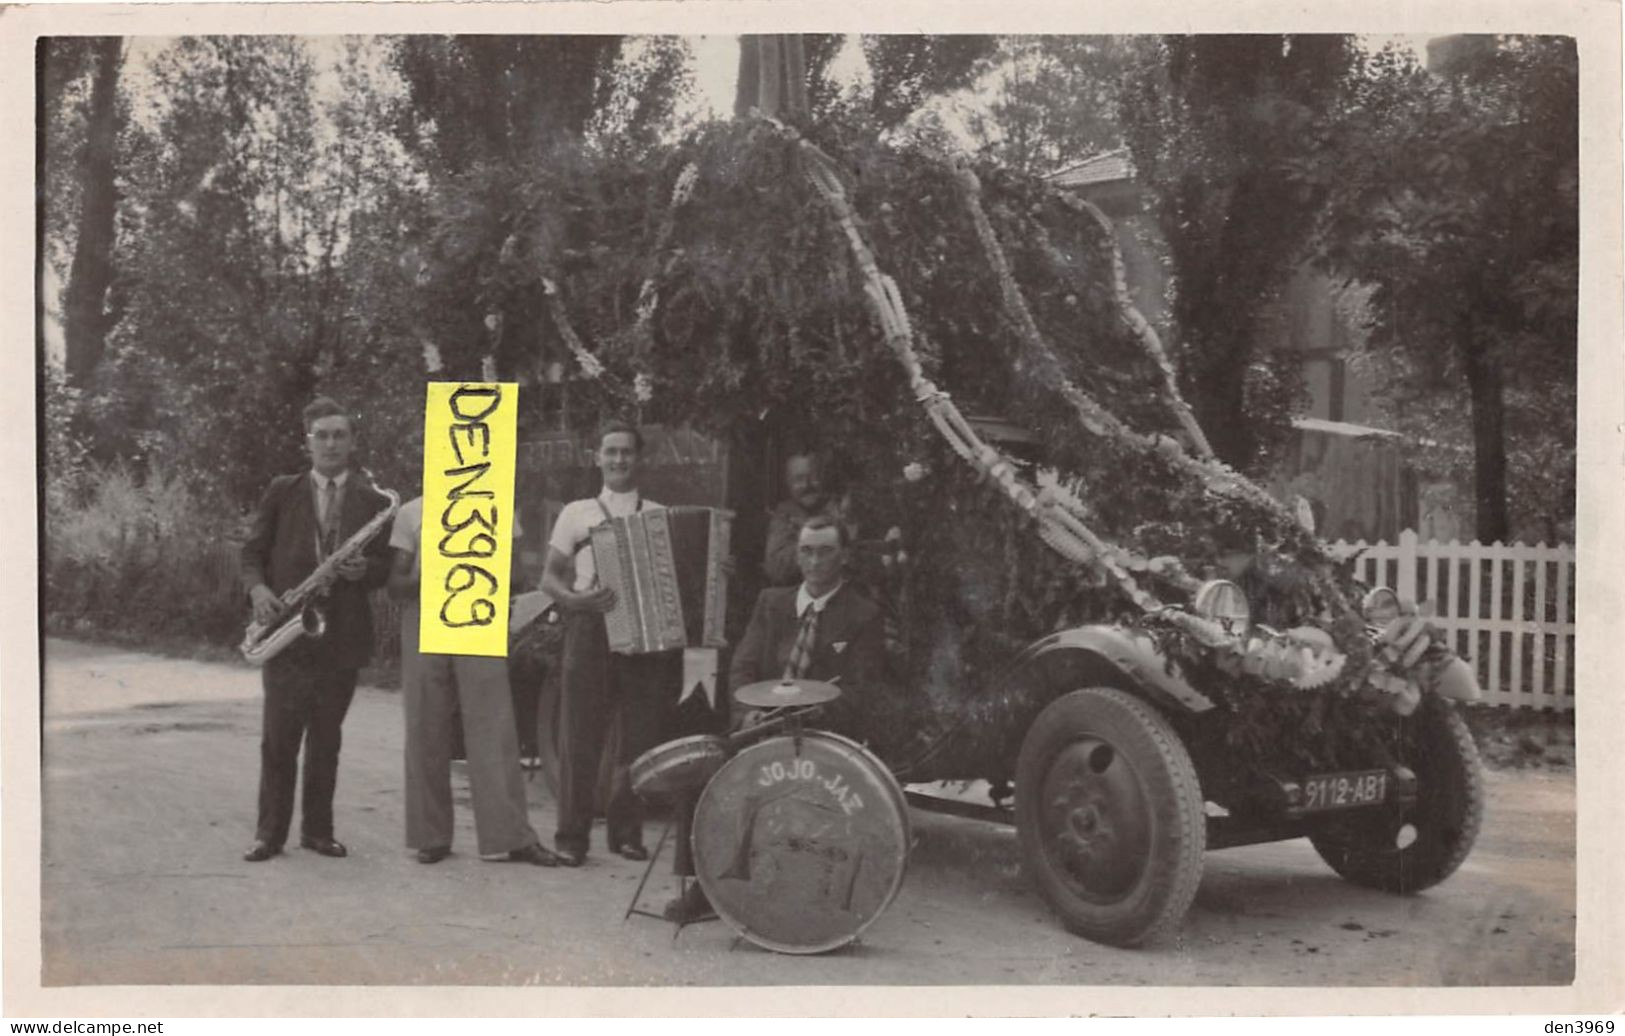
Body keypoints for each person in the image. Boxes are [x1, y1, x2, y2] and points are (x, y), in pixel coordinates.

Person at [662, 514, 887, 923]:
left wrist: (810, 711)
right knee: (700, 773)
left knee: (767, 792)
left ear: (844, 557)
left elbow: (862, 692)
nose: (814, 562)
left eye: (825, 552)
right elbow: (742, 669)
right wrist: (748, 713)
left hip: (820, 739)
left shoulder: (862, 615)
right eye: (806, 551)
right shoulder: (772, 602)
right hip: (760, 730)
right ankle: (705, 885)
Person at [241, 397, 393, 863]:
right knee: (279, 740)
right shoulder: (282, 490)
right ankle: (270, 835)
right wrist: (259, 591)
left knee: (327, 740)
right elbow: (251, 553)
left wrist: (366, 568)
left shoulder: (373, 501)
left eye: (339, 434)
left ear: (352, 441)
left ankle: (318, 832)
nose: (330, 443)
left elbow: (385, 568)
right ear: (308, 442)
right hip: (289, 630)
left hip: (342, 638)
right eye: (321, 435)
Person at [387, 495, 561, 867]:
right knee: (424, 721)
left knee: (493, 723)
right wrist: (425, 574)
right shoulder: (412, 511)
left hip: (477, 609)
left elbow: (515, 577)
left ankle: (512, 836)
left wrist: (480, 559)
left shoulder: (495, 501)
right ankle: (431, 836)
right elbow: (396, 584)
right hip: (425, 612)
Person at [541, 421, 677, 867]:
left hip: (642, 634)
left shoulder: (657, 514)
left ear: (640, 459)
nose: (619, 460)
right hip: (590, 630)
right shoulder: (576, 513)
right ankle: (572, 837)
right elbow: (549, 579)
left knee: (638, 740)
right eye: (611, 451)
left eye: (627, 452)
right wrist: (578, 601)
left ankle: (627, 834)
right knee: (581, 736)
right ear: (596, 456)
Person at [762, 451, 844, 586]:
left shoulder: (839, 509)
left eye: (813, 477)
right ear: (788, 483)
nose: (807, 485)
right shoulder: (784, 515)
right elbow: (776, 569)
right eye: (798, 479)